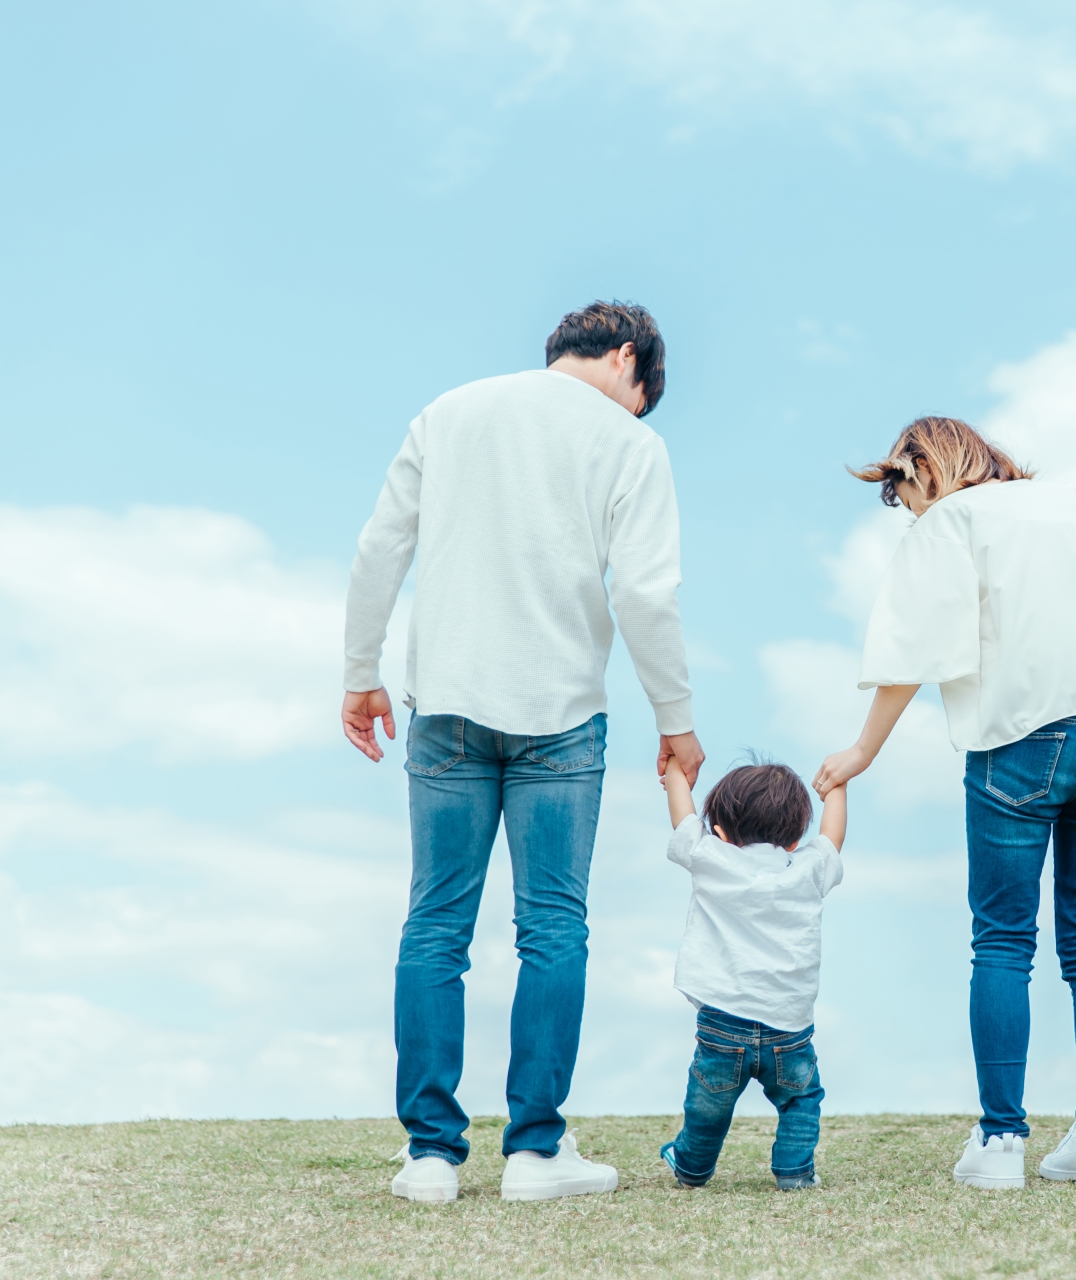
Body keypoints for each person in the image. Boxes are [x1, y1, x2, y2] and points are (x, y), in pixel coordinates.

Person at [341, 301, 705, 1204]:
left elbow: (380, 547)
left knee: (435, 926)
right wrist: (677, 716)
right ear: (629, 359)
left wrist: (360, 670)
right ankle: (536, 1154)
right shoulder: (630, 446)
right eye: (641, 397)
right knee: (553, 928)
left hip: (448, 707)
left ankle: (430, 1155)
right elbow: (648, 597)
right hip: (562, 715)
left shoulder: (451, 410)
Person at [814, 417, 1076, 1191]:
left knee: (1004, 941)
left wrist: (860, 752)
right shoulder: (1074, 502)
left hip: (1024, 736)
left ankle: (1001, 1143)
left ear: (924, 465)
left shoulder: (951, 518)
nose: (903, 508)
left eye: (899, 492)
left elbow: (913, 648)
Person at [657, 758, 845, 1191]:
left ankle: (691, 1167)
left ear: (720, 831)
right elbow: (833, 838)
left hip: (722, 1021)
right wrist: (838, 785)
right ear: (797, 837)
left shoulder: (709, 857)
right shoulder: (808, 868)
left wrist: (677, 772)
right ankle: (795, 1173)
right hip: (790, 1027)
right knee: (800, 1099)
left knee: (708, 1106)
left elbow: (683, 819)